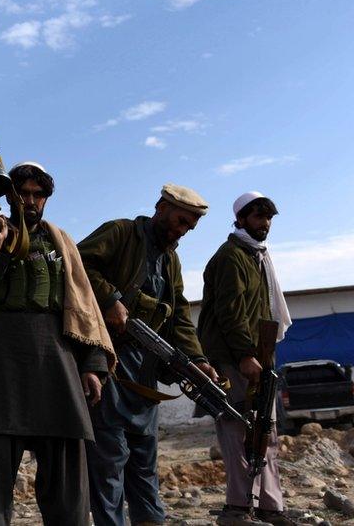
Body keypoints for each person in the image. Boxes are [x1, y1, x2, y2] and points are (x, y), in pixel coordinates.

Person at [0, 162, 116, 525]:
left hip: (55, 362)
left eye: (37, 194)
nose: (30, 201)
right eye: (23, 193)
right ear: (9, 194)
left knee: (68, 494)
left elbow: (84, 307)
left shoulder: (60, 241)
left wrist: (92, 365)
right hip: (0, 362)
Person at [77, 183, 219, 526]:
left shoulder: (170, 259)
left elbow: (180, 314)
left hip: (144, 374)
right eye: (179, 221)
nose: (181, 231)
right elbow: (76, 264)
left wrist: (197, 359)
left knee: (144, 465)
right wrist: (110, 299)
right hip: (107, 364)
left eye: (189, 227)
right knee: (109, 465)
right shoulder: (121, 232)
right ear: (160, 207)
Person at [198, 192, 296, 526]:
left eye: (268, 217)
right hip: (235, 359)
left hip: (260, 357)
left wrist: (259, 357)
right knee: (238, 433)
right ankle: (237, 509)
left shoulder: (258, 257)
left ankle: (270, 506)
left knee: (264, 435)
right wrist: (243, 355)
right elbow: (230, 313)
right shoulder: (232, 256)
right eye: (257, 217)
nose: (264, 223)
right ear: (240, 219)